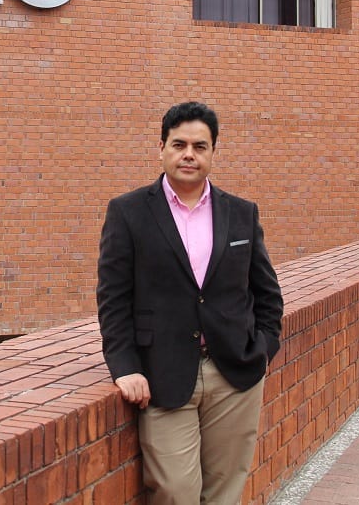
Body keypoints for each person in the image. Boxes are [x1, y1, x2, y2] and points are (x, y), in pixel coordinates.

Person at [96, 101, 284, 504]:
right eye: (179, 144)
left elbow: (267, 293)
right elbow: (113, 298)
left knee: (224, 491)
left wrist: (264, 348)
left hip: (234, 373)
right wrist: (125, 366)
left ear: (213, 153)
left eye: (200, 146)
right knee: (175, 492)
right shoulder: (128, 212)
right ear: (160, 148)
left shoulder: (241, 214)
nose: (189, 154)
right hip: (162, 374)